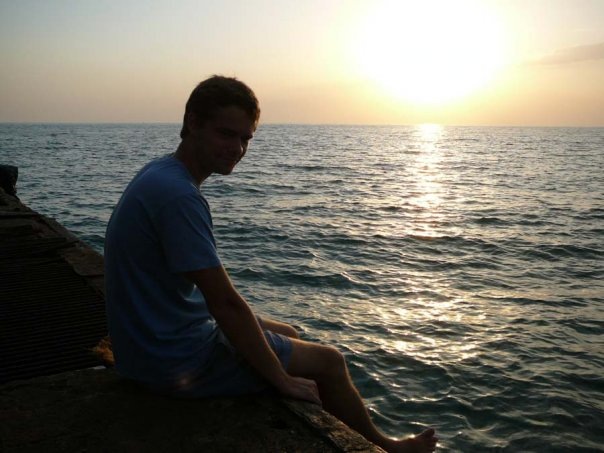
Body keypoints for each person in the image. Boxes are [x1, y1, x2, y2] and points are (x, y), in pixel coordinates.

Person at [104, 75, 437, 453]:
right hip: (173, 361)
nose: (237, 149)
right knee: (329, 362)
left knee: (288, 330)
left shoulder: (159, 173)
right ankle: (384, 447)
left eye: (246, 139)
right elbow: (224, 304)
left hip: (146, 348)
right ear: (193, 123)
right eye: (226, 134)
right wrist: (282, 379)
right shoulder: (179, 197)